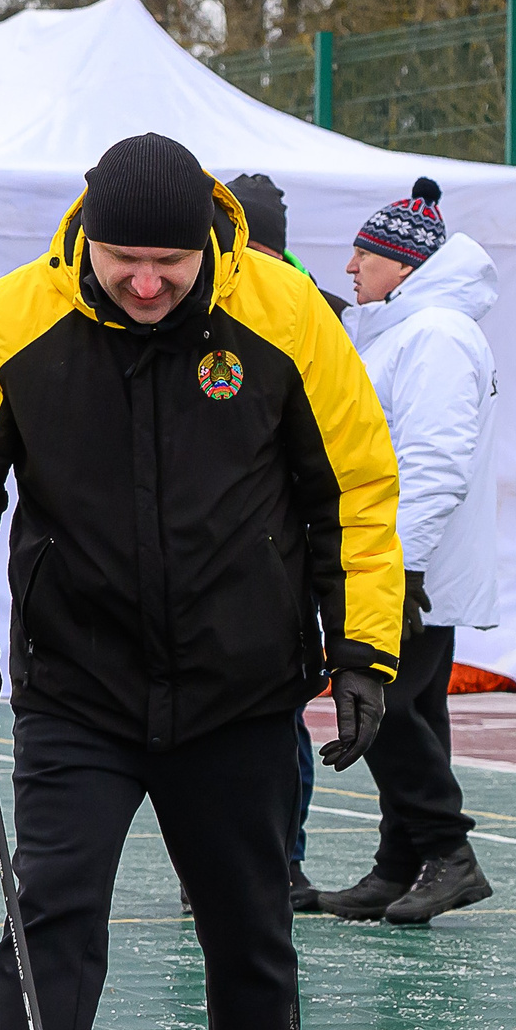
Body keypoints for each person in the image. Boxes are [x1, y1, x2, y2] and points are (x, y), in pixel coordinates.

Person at [0, 133, 404, 1030]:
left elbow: (354, 494)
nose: (149, 282)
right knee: (52, 910)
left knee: (248, 922)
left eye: (171, 263)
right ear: (89, 240)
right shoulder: (15, 322)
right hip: (81, 689)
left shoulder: (284, 317)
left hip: (242, 689)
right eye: (126, 260)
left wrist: (365, 649)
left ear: (210, 246)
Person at [316, 178, 503, 926]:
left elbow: (431, 459)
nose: (352, 264)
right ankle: (403, 863)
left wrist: (402, 564)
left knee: (382, 707)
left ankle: (448, 851)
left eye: (368, 252)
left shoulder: (436, 336)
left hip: (407, 562)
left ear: (406, 264)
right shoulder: (417, 330)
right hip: (413, 558)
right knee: (415, 708)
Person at [224, 171, 349, 916]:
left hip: (286, 561)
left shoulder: (317, 316)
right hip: (241, 555)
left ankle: (283, 860)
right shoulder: (202, 302)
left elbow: (349, 456)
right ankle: (231, 861)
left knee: (279, 720)